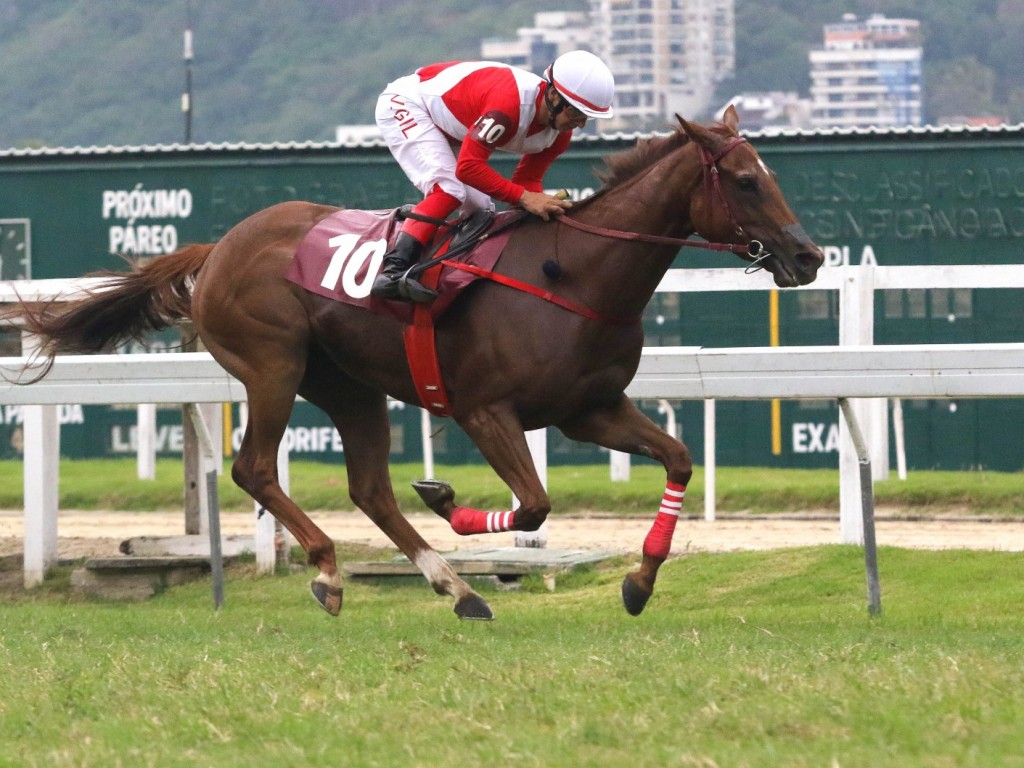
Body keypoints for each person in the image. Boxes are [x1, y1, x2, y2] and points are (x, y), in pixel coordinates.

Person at [371, 50, 615, 302]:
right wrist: (526, 198)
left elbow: (526, 183)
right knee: (449, 190)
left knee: (481, 210)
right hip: (407, 103)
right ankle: (393, 271)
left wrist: (542, 209)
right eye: (576, 113)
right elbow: (468, 168)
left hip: (450, 126)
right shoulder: (507, 107)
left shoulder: (560, 135)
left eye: (587, 117)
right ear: (553, 95)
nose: (580, 123)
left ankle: (444, 272)